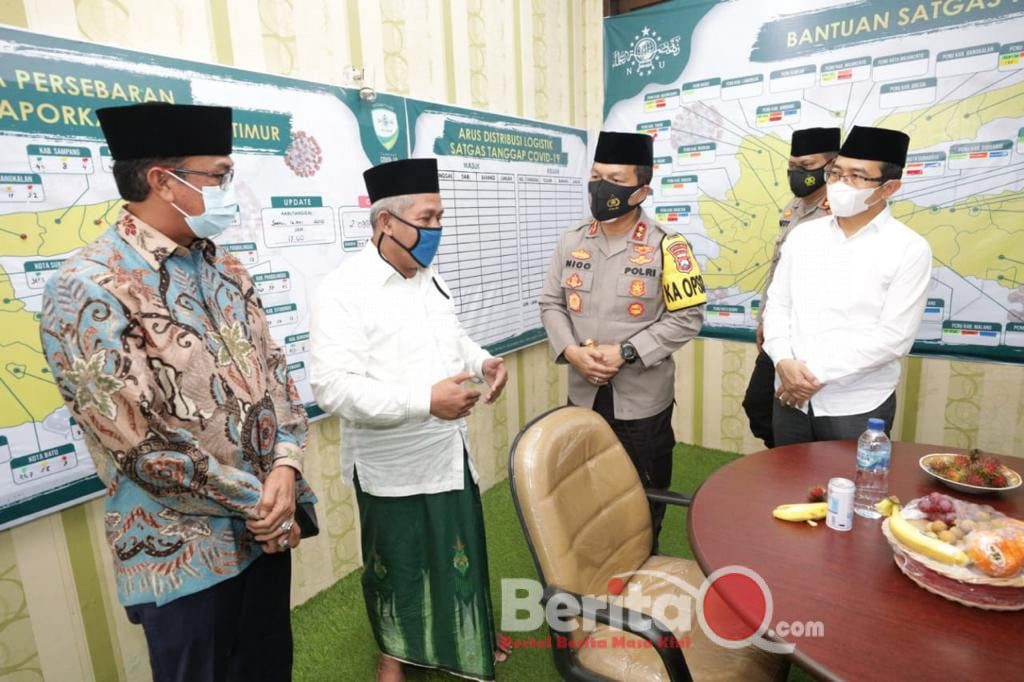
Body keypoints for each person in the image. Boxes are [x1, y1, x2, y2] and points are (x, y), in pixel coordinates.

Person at [38, 103, 317, 682]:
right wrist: (261, 501)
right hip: (183, 554)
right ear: (164, 181)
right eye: (218, 175)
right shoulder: (87, 286)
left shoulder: (226, 269)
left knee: (269, 668)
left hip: (265, 532)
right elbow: (136, 444)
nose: (227, 189)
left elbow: (276, 377)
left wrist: (286, 468)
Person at [309, 158, 509, 682]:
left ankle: (467, 641)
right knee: (396, 565)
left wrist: (481, 360)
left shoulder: (429, 278)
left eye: (442, 217)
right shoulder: (343, 290)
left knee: (458, 554)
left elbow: (453, 337)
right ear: (386, 223)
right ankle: (394, 655)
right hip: (389, 465)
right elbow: (332, 388)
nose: (437, 230)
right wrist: (424, 401)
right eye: (428, 217)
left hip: (448, 450)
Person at [538, 131, 706, 551]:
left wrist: (627, 352)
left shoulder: (669, 247)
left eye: (613, 178)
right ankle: (594, 563)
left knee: (642, 493)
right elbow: (550, 303)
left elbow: (688, 317)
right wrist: (571, 351)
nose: (600, 187)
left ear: (641, 190)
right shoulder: (572, 240)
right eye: (595, 176)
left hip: (641, 401)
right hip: (583, 395)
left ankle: (644, 561)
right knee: (585, 488)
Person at [763, 125, 932, 445]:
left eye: (856, 176)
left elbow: (894, 338)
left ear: (888, 188)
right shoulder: (804, 236)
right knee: (787, 489)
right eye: (836, 173)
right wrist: (783, 360)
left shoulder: (909, 248)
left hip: (855, 405)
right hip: (790, 397)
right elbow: (779, 305)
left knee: (853, 492)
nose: (841, 184)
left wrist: (815, 377)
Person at [743, 127, 839, 448]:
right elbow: (777, 268)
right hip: (779, 329)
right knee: (758, 407)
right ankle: (781, 461)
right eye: (792, 165)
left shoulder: (840, 210)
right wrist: (764, 320)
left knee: (800, 415)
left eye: (806, 165)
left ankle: (794, 469)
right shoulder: (794, 206)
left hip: (813, 336)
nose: (797, 173)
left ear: (831, 165)